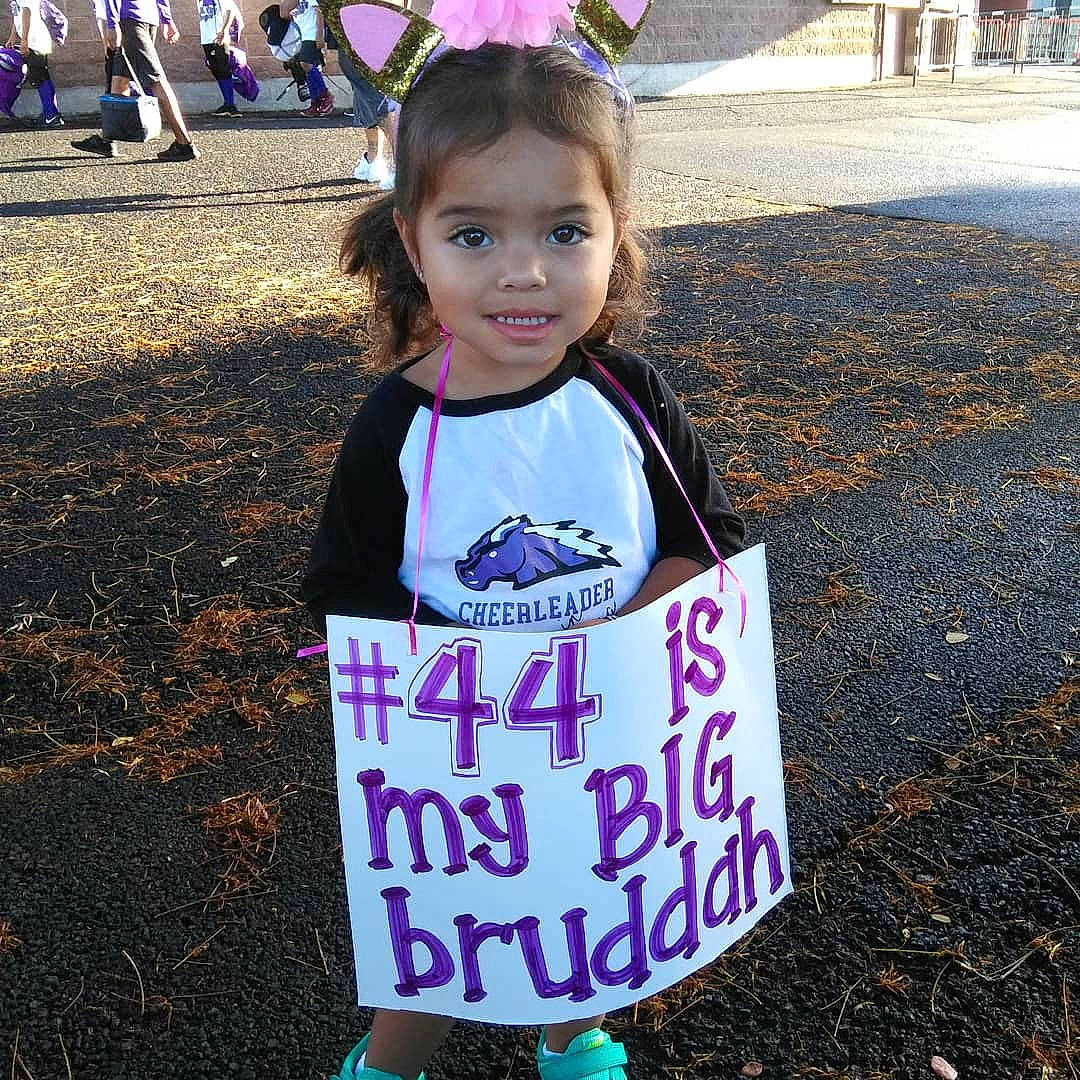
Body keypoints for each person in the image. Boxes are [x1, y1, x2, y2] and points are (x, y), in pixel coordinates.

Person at [301, 42, 746, 1080]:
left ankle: (574, 1039)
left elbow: (710, 539)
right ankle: (388, 1065)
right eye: (473, 232)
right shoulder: (398, 426)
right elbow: (346, 590)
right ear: (414, 244)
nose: (523, 270)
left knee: (593, 904)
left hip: (614, 740)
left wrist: (621, 635)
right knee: (446, 945)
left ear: (613, 235)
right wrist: (473, 676)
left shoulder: (630, 397)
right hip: (462, 762)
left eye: (563, 230)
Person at [70, 0, 199, 161]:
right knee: (120, 79)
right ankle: (107, 140)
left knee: (155, 80)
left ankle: (184, 144)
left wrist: (112, 23)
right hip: (146, 17)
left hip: (129, 18)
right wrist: (166, 18)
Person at [325, 21, 393, 187]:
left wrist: (316, 40)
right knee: (365, 96)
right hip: (378, 32)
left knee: (377, 101)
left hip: (358, 34)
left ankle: (403, 164)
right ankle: (373, 159)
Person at [5, 0, 62, 125]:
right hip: (32, 40)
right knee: (42, 76)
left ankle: (51, 116)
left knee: (39, 78)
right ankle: (50, 113)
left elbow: (27, 11)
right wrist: (13, 36)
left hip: (35, 41)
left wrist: (24, 40)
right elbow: (18, 14)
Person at [279, 0, 332, 116]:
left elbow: (320, 12)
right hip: (301, 34)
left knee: (305, 63)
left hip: (311, 34)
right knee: (307, 68)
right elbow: (283, 13)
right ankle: (315, 102)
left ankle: (325, 94)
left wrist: (320, 35)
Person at [198, 0, 241, 116]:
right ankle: (227, 104)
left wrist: (224, 31)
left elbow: (230, 11)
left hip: (219, 37)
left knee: (223, 70)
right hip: (207, 38)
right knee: (217, 71)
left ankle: (231, 106)